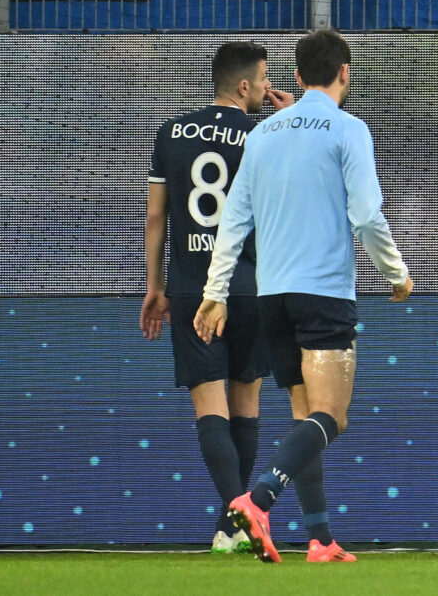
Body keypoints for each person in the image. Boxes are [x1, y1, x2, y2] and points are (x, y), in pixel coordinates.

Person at [197, 30, 413, 566]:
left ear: (295, 76)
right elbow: (365, 213)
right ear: (346, 73)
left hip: (272, 296)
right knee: (331, 417)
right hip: (323, 293)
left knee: (304, 418)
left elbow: (235, 219)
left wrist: (214, 291)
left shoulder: (265, 133)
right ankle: (256, 501)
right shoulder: (349, 128)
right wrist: (397, 272)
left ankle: (318, 539)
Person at [144, 41, 285, 556]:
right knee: (246, 399)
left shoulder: (171, 132)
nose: (268, 89)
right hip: (251, 284)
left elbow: (156, 217)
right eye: (266, 79)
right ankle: (236, 527)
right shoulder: (266, 132)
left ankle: (237, 516)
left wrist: (155, 286)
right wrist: (289, 119)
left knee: (209, 401)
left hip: (192, 284)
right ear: (246, 85)